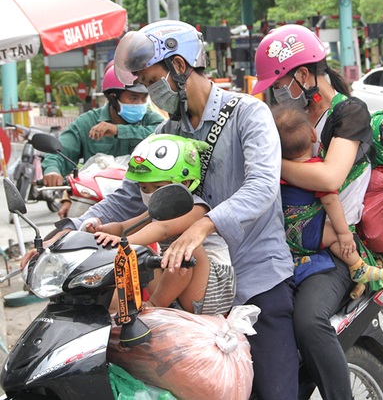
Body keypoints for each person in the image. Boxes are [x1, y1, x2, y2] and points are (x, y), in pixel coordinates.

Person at [29, 20, 298, 399]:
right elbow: (127, 197)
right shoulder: (166, 133)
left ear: (180, 65)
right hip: (190, 293)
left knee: (273, 393)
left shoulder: (247, 113)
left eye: (152, 79)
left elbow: (262, 186)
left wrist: (203, 226)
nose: (150, 92)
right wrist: (77, 224)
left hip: (256, 278)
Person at [252, 24, 377, 399]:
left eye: (277, 85)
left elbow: (329, 176)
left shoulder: (349, 113)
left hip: (334, 247)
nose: (275, 95)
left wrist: (269, 167)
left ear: (303, 76)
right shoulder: (288, 119)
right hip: (284, 245)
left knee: (308, 321)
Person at [89, 134, 235, 316]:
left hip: (211, 288)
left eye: (157, 188)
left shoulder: (195, 208)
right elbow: (123, 227)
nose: (149, 194)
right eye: (144, 188)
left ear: (184, 183)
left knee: (187, 248)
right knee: (140, 254)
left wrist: (123, 242)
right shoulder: (156, 210)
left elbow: (162, 230)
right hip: (177, 283)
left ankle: (156, 303)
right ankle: (118, 308)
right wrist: (99, 230)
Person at [272, 104, 383, 285]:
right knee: (336, 235)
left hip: (282, 233)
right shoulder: (315, 171)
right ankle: (358, 267)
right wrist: (344, 234)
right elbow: (330, 201)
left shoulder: (276, 171)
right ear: (314, 135)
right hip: (307, 232)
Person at [41, 63, 165, 218]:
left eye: (143, 98)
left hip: (141, 204)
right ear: (113, 98)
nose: (139, 104)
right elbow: (60, 151)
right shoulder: (87, 122)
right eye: (133, 98)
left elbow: (162, 134)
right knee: (66, 234)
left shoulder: (151, 119)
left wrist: (118, 130)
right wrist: (53, 171)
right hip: (94, 205)